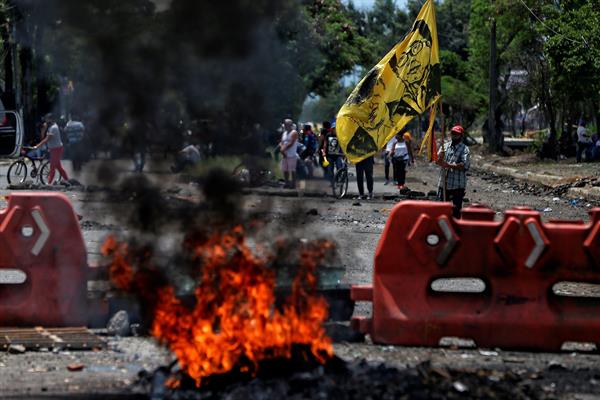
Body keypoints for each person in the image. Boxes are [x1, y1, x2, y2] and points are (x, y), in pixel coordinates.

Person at [436, 124, 470, 219]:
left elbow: (464, 165)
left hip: (457, 184)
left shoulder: (465, 149)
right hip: (444, 183)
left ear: (461, 135)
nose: (454, 136)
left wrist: (448, 165)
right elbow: (438, 162)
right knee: (442, 209)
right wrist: (440, 158)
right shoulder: (445, 147)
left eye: (456, 134)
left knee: (456, 210)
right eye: (453, 133)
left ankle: (456, 229)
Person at [34, 113, 69, 184]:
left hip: (57, 149)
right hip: (53, 149)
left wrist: (38, 145)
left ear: (51, 119)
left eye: (47, 119)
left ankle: (49, 183)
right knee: (59, 167)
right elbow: (43, 137)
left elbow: (47, 139)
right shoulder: (50, 127)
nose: (45, 121)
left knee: (52, 167)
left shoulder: (54, 128)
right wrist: (43, 129)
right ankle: (67, 180)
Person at [279, 118, 299, 189]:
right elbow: (281, 142)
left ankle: (293, 184)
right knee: (285, 169)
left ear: (290, 125)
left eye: (286, 124)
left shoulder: (294, 132)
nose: (285, 126)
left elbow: (291, 143)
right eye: (285, 124)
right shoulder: (284, 133)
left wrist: (283, 148)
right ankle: (286, 183)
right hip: (285, 154)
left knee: (292, 170)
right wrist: (281, 148)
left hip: (291, 154)